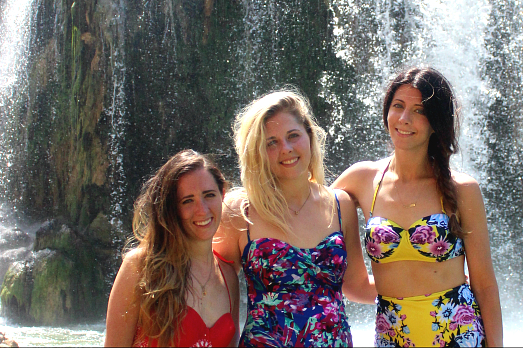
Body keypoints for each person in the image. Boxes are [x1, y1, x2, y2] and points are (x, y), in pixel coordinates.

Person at [333, 66, 503, 347]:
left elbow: (484, 285)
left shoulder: (463, 190)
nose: (404, 119)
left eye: (419, 111)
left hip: (459, 336)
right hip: (393, 336)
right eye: (397, 106)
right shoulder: (361, 180)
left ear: (436, 121)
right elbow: (308, 210)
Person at [214, 89, 375, 347]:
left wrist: (421, 279)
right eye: (271, 142)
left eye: (293, 136)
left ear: (310, 137)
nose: (286, 149)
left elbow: (356, 286)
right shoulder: (239, 211)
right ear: (257, 151)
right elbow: (214, 289)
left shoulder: (340, 204)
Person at [105, 150, 239, 347]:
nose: (202, 209)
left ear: (222, 196)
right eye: (187, 201)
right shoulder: (140, 267)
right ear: (170, 209)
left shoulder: (228, 277)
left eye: (209, 195)